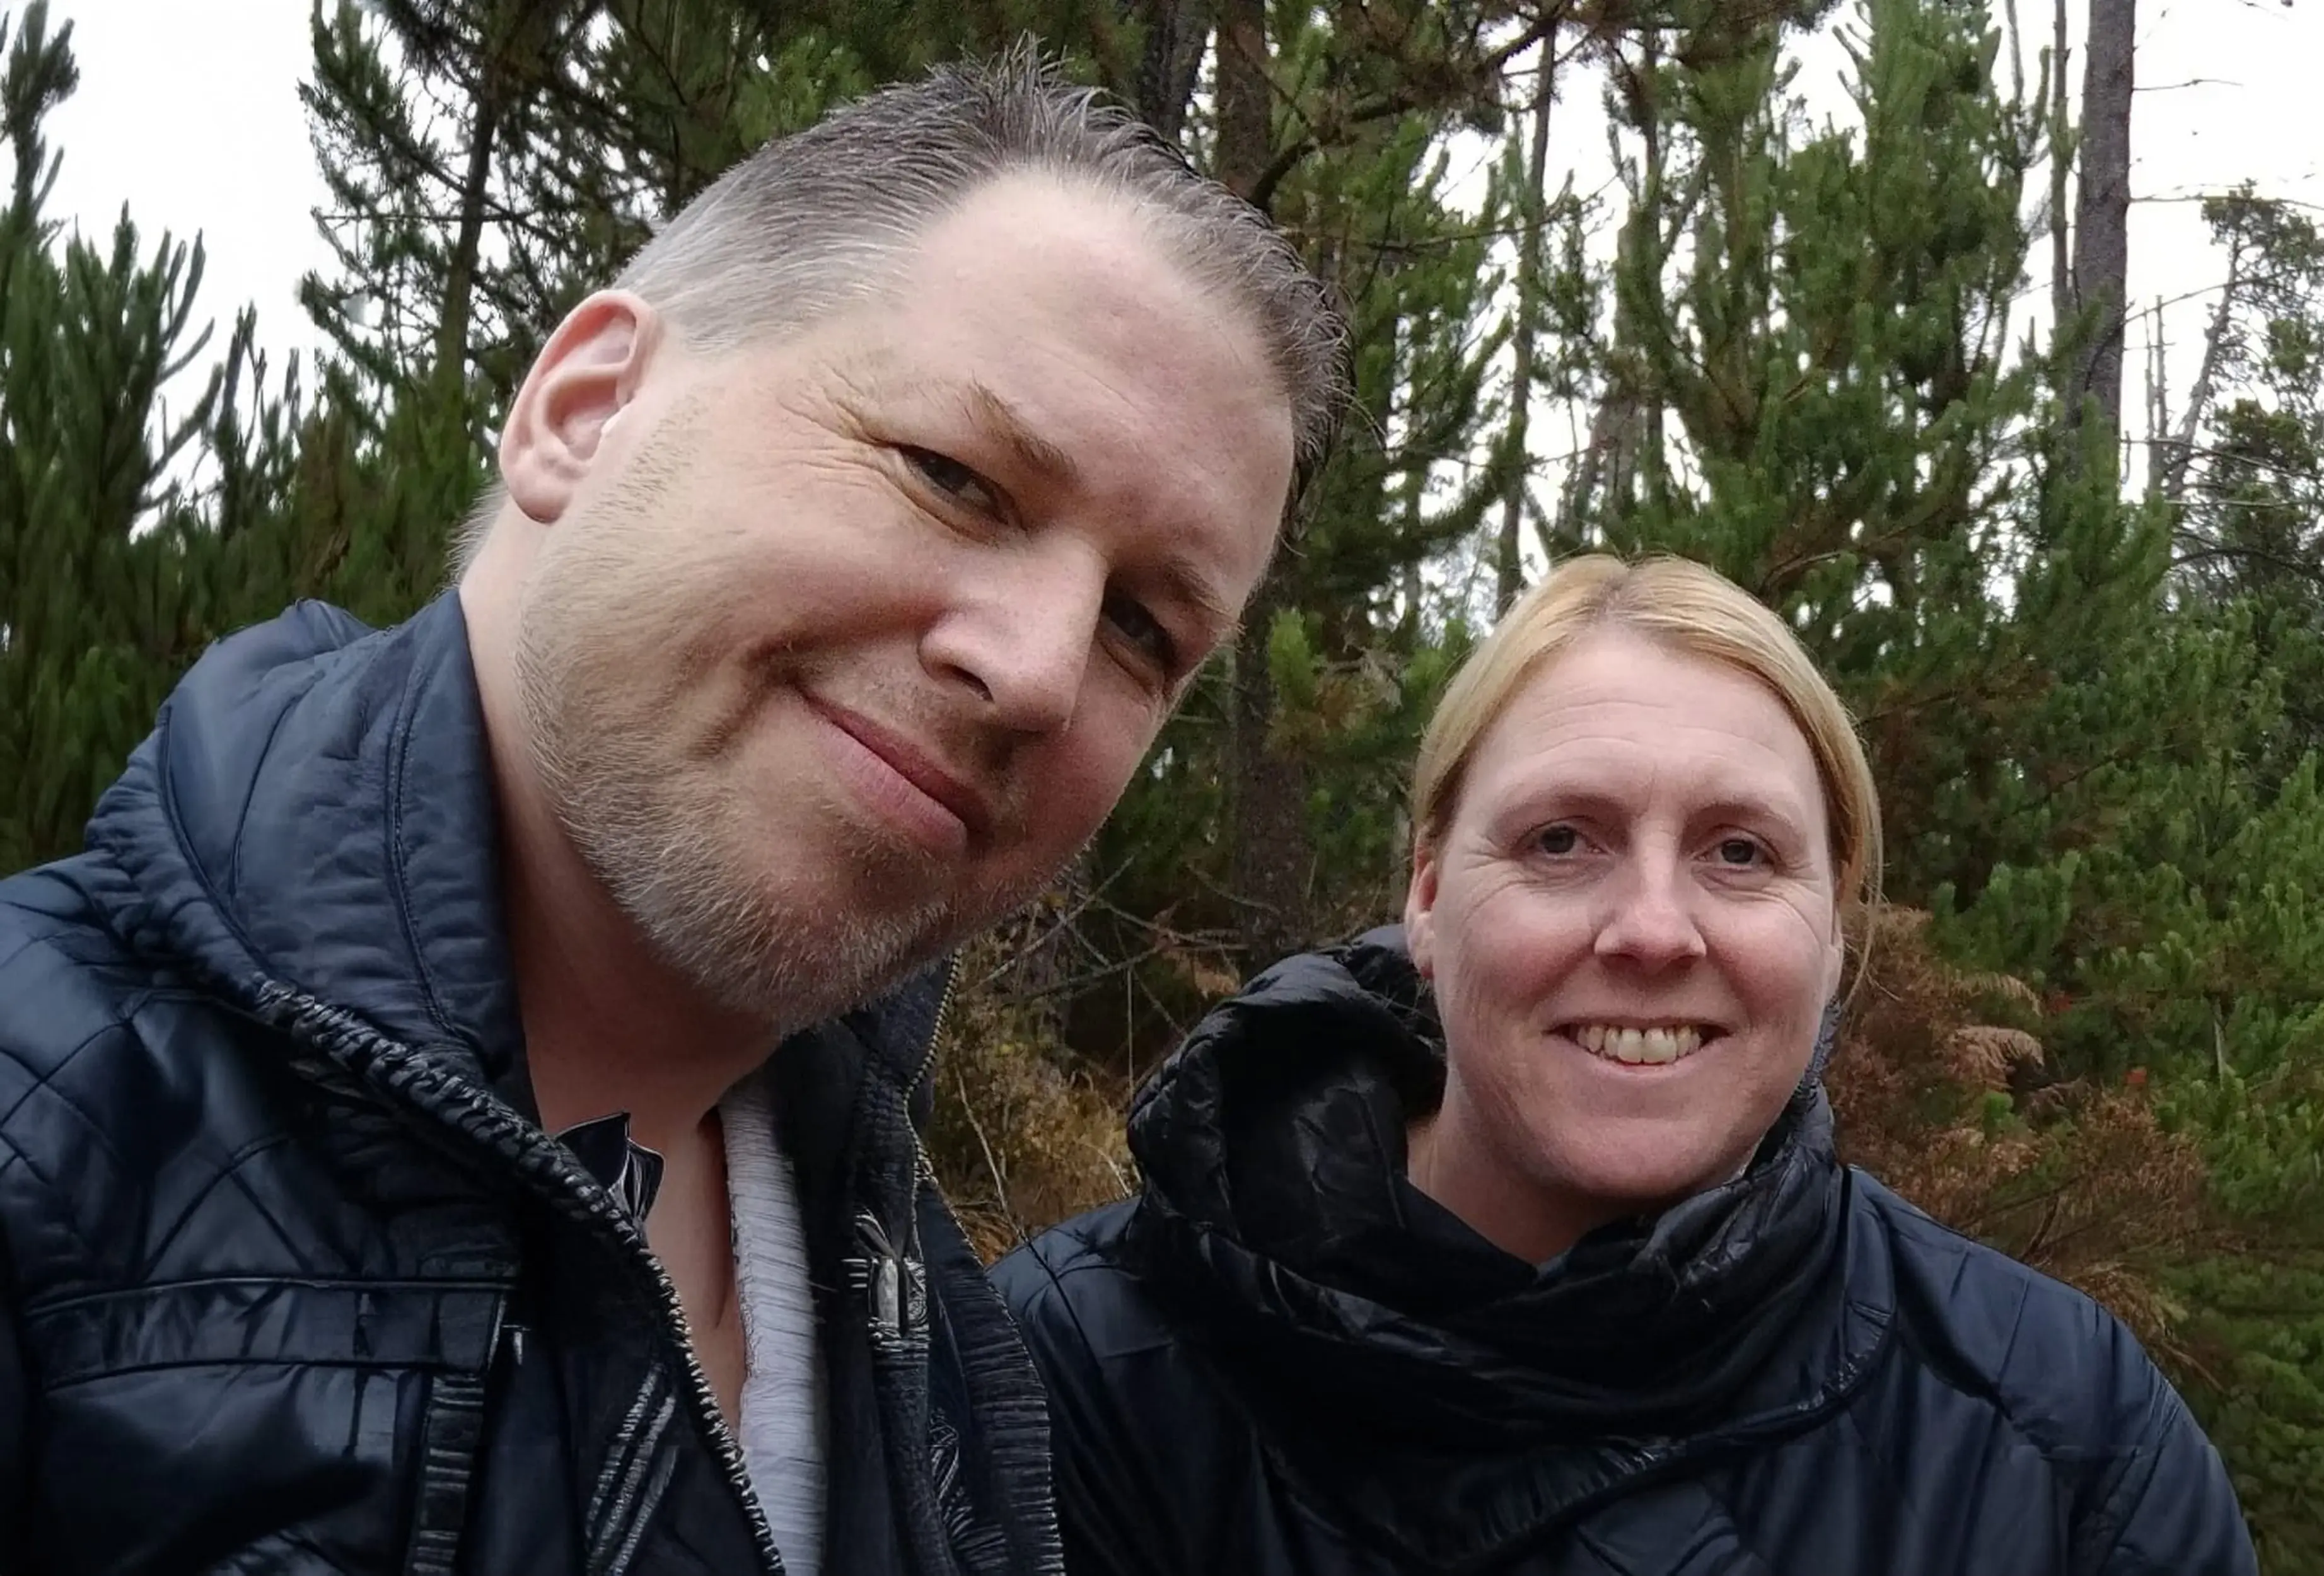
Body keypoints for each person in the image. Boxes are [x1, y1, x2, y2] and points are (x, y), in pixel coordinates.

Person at [0, 52, 1345, 1576]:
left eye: (1141, 632)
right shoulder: (42, 1143)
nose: (1035, 670)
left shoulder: (948, 1352)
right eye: (956, 477)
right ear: (584, 411)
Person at [992, 553, 2258, 1576]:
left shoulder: (2063, 1431)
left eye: (1742, 852)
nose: (1654, 928)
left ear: (1832, 934)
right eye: (1561, 838)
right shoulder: (1078, 1372)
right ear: (1426, 900)